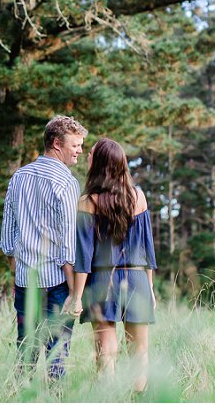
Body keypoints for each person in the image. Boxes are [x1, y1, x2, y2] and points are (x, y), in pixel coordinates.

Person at [0, 115, 88, 379]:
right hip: (57, 285)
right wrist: (75, 294)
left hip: (26, 281)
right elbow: (68, 245)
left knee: (26, 351)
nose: (80, 151)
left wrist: (18, 272)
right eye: (76, 145)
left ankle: (18, 396)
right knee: (56, 355)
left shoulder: (19, 176)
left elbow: (7, 236)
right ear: (57, 143)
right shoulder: (66, 183)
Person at [69, 137, 157, 393]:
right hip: (137, 279)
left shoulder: (87, 202)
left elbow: (83, 257)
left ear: (100, 163)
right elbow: (146, 249)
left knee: (105, 354)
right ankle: (137, 399)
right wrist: (149, 288)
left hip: (102, 282)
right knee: (139, 352)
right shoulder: (138, 197)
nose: (86, 156)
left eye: (91, 154)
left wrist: (76, 296)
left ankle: (108, 399)